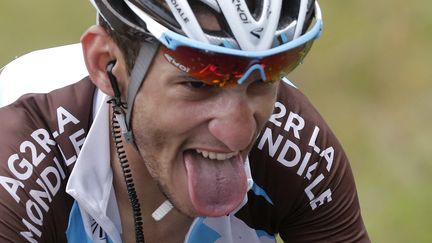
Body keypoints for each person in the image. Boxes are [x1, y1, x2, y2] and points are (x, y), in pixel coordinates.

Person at [0, 0, 370, 242]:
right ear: (107, 65)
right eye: (198, 83)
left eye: (265, 78)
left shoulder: (298, 148)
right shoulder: (22, 145)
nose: (237, 132)